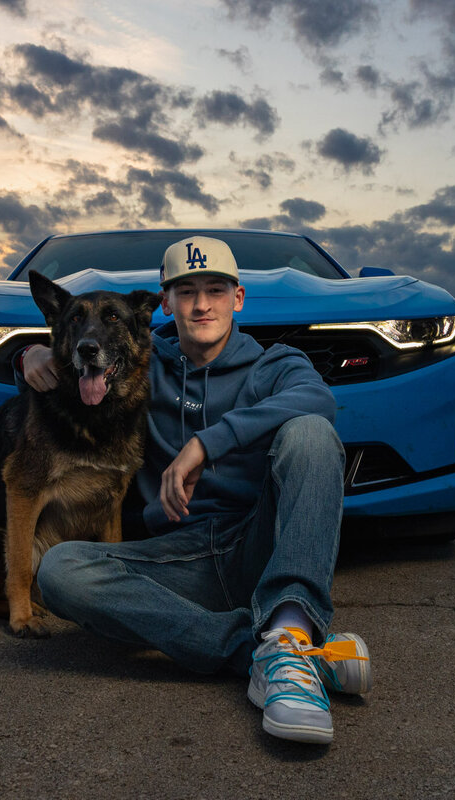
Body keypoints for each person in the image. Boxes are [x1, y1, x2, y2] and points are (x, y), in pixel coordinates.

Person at [18, 235, 371, 744]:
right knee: (61, 570)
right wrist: (31, 353)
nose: (202, 304)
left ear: (238, 298)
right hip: (179, 559)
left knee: (312, 433)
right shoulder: (143, 363)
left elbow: (318, 399)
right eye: (185, 292)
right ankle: (270, 653)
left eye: (215, 290)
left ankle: (290, 625)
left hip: (258, 543)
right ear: (164, 303)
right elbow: (82, 343)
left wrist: (207, 444)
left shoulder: (276, 364)